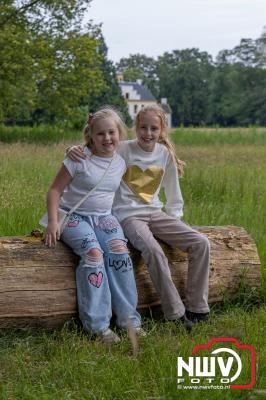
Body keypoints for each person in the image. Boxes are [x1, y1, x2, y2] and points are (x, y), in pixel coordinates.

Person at [67, 104, 210, 331]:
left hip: (155, 213)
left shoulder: (164, 155)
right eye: (143, 127)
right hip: (128, 216)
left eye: (154, 128)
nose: (148, 133)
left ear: (162, 130)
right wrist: (72, 149)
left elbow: (174, 194)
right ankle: (175, 312)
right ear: (136, 127)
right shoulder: (122, 149)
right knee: (153, 251)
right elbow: (94, 147)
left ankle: (197, 307)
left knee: (201, 242)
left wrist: (176, 223)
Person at [44, 107, 144, 344]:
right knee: (93, 253)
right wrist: (53, 221)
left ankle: (129, 321)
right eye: (100, 134)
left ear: (119, 133)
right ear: (91, 135)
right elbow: (54, 190)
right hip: (72, 215)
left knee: (120, 251)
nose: (107, 138)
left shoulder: (121, 160)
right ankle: (98, 326)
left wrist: (172, 159)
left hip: (103, 216)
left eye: (112, 132)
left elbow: (152, 144)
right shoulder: (78, 158)